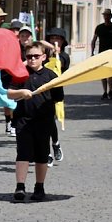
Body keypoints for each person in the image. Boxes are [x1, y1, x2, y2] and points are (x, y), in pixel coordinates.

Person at [7, 42, 64, 202]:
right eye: (29, 56)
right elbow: (9, 93)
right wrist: (21, 92)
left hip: (44, 121)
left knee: (42, 155)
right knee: (23, 153)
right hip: (23, 120)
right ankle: (20, 186)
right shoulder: (20, 74)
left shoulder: (51, 76)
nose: (32, 59)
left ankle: (39, 187)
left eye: (36, 56)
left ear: (43, 57)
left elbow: (58, 97)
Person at [40, 27, 70, 163]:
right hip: (41, 89)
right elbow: (38, 42)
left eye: (58, 38)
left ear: (63, 41)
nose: (55, 40)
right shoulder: (42, 54)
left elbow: (60, 66)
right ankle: (46, 153)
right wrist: (50, 48)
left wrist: (55, 53)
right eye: (52, 38)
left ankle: (55, 143)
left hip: (55, 91)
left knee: (50, 120)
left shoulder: (64, 56)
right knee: (41, 121)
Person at [91, 9, 112, 100]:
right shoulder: (99, 28)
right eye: (105, 15)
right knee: (103, 73)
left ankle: (111, 90)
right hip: (102, 53)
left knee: (110, 72)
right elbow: (94, 40)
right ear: (103, 16)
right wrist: (92, 52)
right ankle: (105, 91)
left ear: (111, 16)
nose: (106, 17)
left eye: (108, 15)